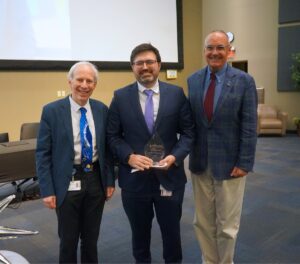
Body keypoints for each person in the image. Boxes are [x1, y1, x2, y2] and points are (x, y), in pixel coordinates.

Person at [107, 43, 194, 263]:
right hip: (135, 182)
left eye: (149, 62)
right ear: (132, 67)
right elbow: (112, 137)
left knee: (172, 234)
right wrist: (129, 157)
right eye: (139, 63)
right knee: (140, 236)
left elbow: (188, 133)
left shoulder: (176, 94)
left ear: (159, 65)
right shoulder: (120, 97)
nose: (145, 67)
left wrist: (175, 157)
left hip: (170, 178)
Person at [187, 30, 258, 264]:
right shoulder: (194, 80)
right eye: (210, 47)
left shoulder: (244, 81)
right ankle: (209, 261)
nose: (214, 52)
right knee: (203, 222)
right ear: (204, 51)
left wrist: (244, 162)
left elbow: (249, 125)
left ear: (229, 51)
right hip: (199, 163)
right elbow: (192, 122)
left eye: (220, 48)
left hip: (231, 164)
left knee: (227, 226)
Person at [36, 61, 115, 263]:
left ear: (95, 85)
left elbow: (107, 150)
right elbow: (43, 154)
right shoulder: (52, 111)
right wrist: (47, 189)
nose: (84, 85)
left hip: (95, 179)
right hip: (66, 180)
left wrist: (109, 181)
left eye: (90, 81)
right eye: (80, 79)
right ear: (70, 81)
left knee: (91, 239)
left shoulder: (101, 110)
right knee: (68, 239)